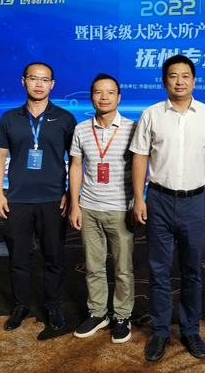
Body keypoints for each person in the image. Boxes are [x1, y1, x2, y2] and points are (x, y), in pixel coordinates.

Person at [130, 54, 205, 362]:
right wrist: (139, 198)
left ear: (194, 81)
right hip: (159, 200)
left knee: (193, 270)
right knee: (158, 270)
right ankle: (160, 331)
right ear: (164, 81)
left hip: (195, 201)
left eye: (185, 76)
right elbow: (140, 156)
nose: (179, 81)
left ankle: (191, 330)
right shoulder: (152, 114)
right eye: (173, 76)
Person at [0, 62, 76, 331]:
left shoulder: (65, 119)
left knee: (54, 257)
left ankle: (53, 305)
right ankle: (21, 306)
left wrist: (71, 195)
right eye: (33, 78)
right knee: (18, 257)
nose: (39, 84)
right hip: (17, 200)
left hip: (54, 200)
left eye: (45, 79)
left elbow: (76, 161)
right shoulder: (9, 118)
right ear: (23, 81)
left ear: (53, 84)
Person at [68, 73, 137, 343]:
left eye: (110, 92)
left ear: (119, 97)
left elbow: (142, 167)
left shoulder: (132, 128)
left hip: (121, 208)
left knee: (123, 268)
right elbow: (76, 167)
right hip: (89, 207)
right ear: (91, 97)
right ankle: (98, 313)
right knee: (93, 265)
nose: (104, 97)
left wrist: (138, 202)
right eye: (98, 92)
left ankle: (122, 315)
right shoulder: (81, 129)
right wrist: (75, 205)